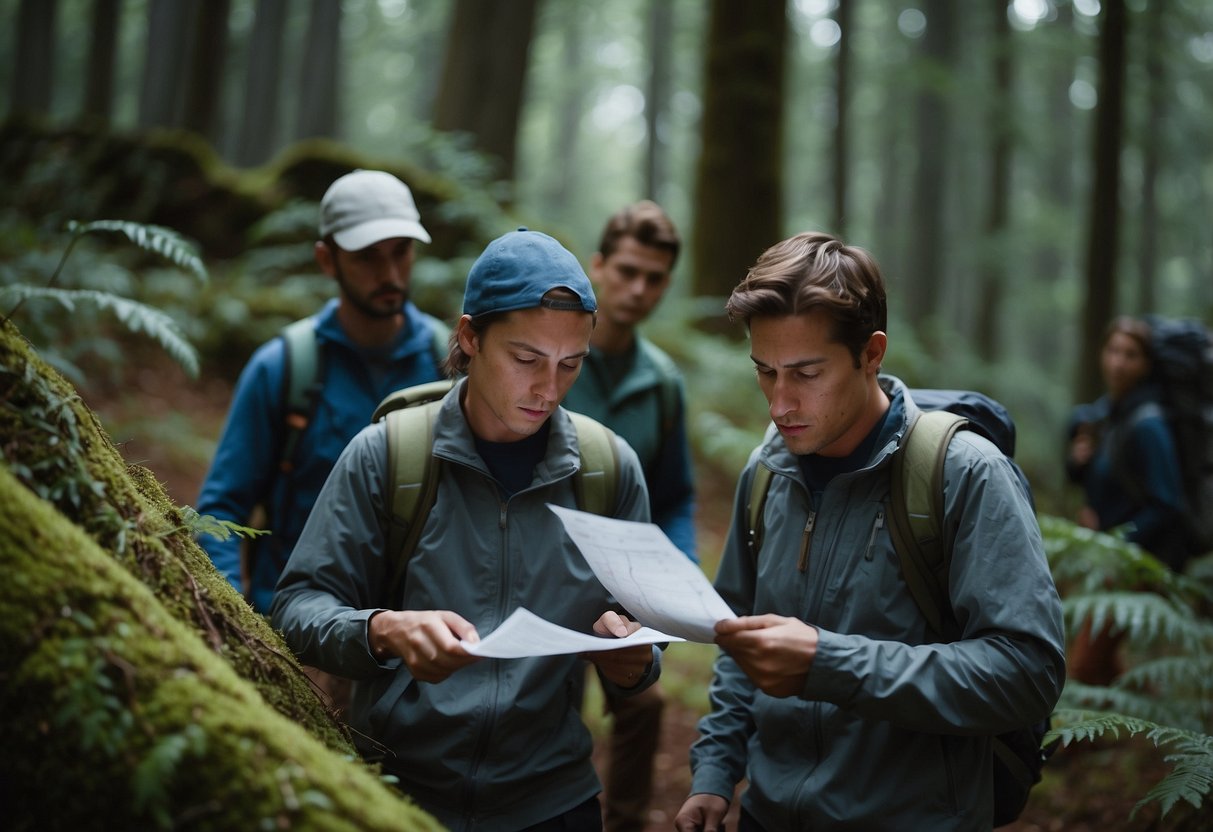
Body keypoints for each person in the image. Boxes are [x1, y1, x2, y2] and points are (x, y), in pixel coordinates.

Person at [271, 228, 661, 832]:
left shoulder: (609, 469)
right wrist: (382, 631)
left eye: (571, 364)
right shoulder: (388, 456)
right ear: (470, 336)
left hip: (554, 802)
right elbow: (297, 607)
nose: (549, 389)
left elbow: (646, 635)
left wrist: (634, 661)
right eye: (527, 360)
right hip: (398, 793)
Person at [674, 231, 1066, 831]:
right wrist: (715, 772)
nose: (779, 404)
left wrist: (829, 663)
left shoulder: (964, 475)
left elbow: (1026, 673)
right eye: (765, 372)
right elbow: (737, 640)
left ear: (871, 353)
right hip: (766, 815)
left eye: (806, 373)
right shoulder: (767, 474)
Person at [195, 169, 446, 617]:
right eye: (367, 256)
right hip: (295, 635)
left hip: (417, 645)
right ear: (327, 260)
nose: (389, 273)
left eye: (402, 252)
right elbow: (221, 512)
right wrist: (237, 624)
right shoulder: (284, 368)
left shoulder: (447, 365)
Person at [561, 201, 695, 832]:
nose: (639, 290)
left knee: (645, 700)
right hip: (541, 574)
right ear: (599, 266)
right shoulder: (554, 363)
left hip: (622, 592)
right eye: (628, 271)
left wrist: (675, 590)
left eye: (656, 278)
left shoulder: (662, 384)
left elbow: (674, 498)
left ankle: (628, 818)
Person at [1064, 315, 1187, 684]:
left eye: (1130, 355)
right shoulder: (1105, 415)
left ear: (1146, 365)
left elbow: (1167, 504)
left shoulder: (1149, 425)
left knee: (1086, 665)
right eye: (1113, 350)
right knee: (1106, 663)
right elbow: (1094, 482)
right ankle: (1130, 732)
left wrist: (1118, 542)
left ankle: (1077, 740)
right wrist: (1077, 462)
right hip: (1109, 558)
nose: (1118, 362)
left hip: (1133, 565)